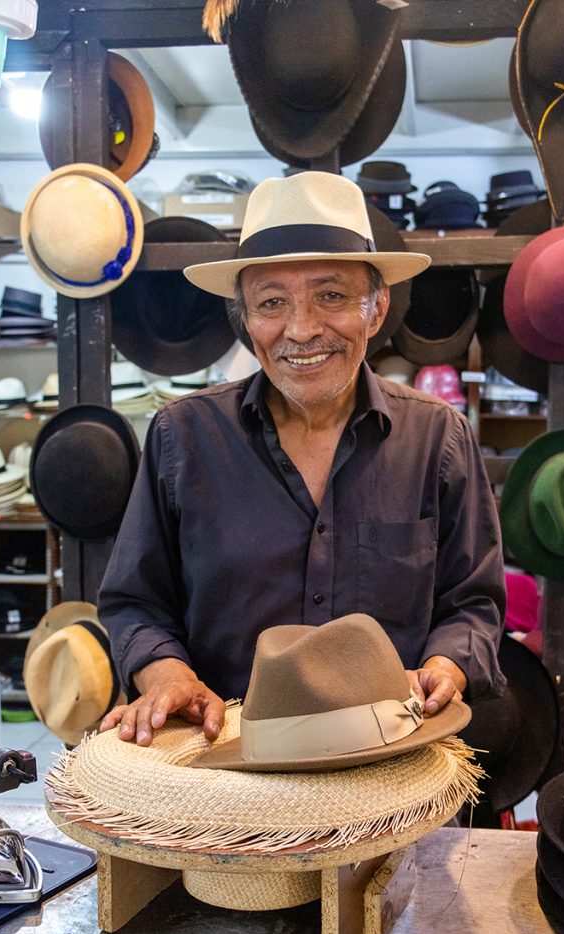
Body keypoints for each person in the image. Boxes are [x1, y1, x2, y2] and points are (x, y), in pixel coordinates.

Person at [98, 171, 506, 747]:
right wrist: (167, 674)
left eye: (331, 296)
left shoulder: (438, 439)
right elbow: (134, 601)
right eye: (271, 303)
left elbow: (473, 604)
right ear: (245, 320)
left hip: (391, 752)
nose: (301, 330)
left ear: (377, 307)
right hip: (224, 756)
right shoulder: (182, 437)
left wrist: (447, 664)